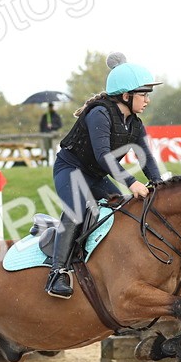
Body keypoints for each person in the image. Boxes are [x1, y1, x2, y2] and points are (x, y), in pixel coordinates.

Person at [45, 52, 164, 299]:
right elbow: (103, 156)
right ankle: (57, 273)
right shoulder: (99, 113)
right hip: (70, 169)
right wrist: (131, 182)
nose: (147, 100)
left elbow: (146, 159)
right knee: (77, 210)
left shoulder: (135, 124)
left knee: (121, 211)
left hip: (95, 175)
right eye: (143, 94)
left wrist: (161, 186)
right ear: (126, 95)